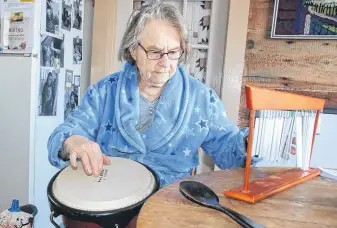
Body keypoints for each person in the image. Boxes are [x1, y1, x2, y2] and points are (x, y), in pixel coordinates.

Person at [48, 2, 252, 188]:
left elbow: (231, 152)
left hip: (170, 209)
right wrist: (73, 142)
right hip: (110, 204)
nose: (165, 63)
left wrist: (250, 143)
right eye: (154, 52)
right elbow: (64, 135)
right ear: (133, 50)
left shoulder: (201, 99)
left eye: (173, 52)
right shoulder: (104, 93)